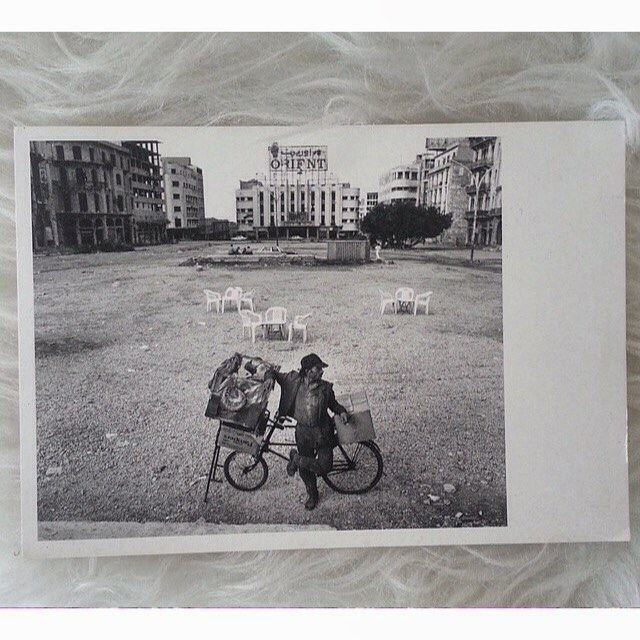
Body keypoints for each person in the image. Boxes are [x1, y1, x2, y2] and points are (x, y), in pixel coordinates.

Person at [269, 353, 349, 510]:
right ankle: (312, 494)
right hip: (303, 433)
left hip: (323, 432)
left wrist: (342, 411)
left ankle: (296, 459)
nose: (321, 372)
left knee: (325, 466)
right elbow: (272, 372)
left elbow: (334, 405)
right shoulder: (293, 381)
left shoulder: (326, 388)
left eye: (321, 369)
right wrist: (269, 379)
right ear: (307, 371)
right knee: (305, 470)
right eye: (318, 368)